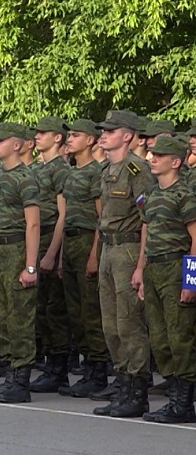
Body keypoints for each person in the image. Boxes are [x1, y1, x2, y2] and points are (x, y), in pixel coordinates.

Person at [92, 110, 154, 417]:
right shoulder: (108, 168)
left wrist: (141, 265)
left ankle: (137, 390)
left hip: (129, 249)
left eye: (110, 131)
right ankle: (123, 383)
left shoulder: (136, 169)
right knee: (110, 323)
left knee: (130, 323)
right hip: (108, 248)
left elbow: (147, 221)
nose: (103, 134)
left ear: (127, 135)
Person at [0, 122, 41, 404]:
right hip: (0, 250)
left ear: (16, 145)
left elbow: (33, 224)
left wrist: (30, 266)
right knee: (1, 317)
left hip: (17, 247)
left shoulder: (25, 178)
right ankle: (9, 372)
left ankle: (20, 378)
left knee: (19, 317)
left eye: (0, 141)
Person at [140, 135, 196, 423]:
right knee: (160, 339)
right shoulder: (152, 194)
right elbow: (146, 233)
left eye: (159, 156)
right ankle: (174, 396)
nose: (153, 159)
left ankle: (184, 403)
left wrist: (191, 281)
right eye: (152, 154)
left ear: (175, 162)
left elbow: (195, 239)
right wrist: (140, 269)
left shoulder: (184, 194)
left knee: (179, 337)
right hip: (154, 268)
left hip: (176, 268)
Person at [57, 119, 108, 397]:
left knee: (90, 312)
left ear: (90, 140)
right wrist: (63, 255)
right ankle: (89, 365)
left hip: (89, 240)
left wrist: (93, 254)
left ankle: (98, 370)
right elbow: (65, 218)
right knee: (75, 313)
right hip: (71, 242)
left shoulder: (95, 172)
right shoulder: (70, 173)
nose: (70, 139)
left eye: (76, 135)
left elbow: (102, 217)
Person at [31, 116, 72, 392]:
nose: (37, 136)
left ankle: (58, 368)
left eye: (43, 133)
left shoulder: (60, 169)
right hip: (36, 237)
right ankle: (48, 362)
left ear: (57, 137)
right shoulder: (36, 168)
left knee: (54, 309)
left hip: (50, 238)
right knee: (41, 308)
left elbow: (63, 214)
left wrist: (52, 253)